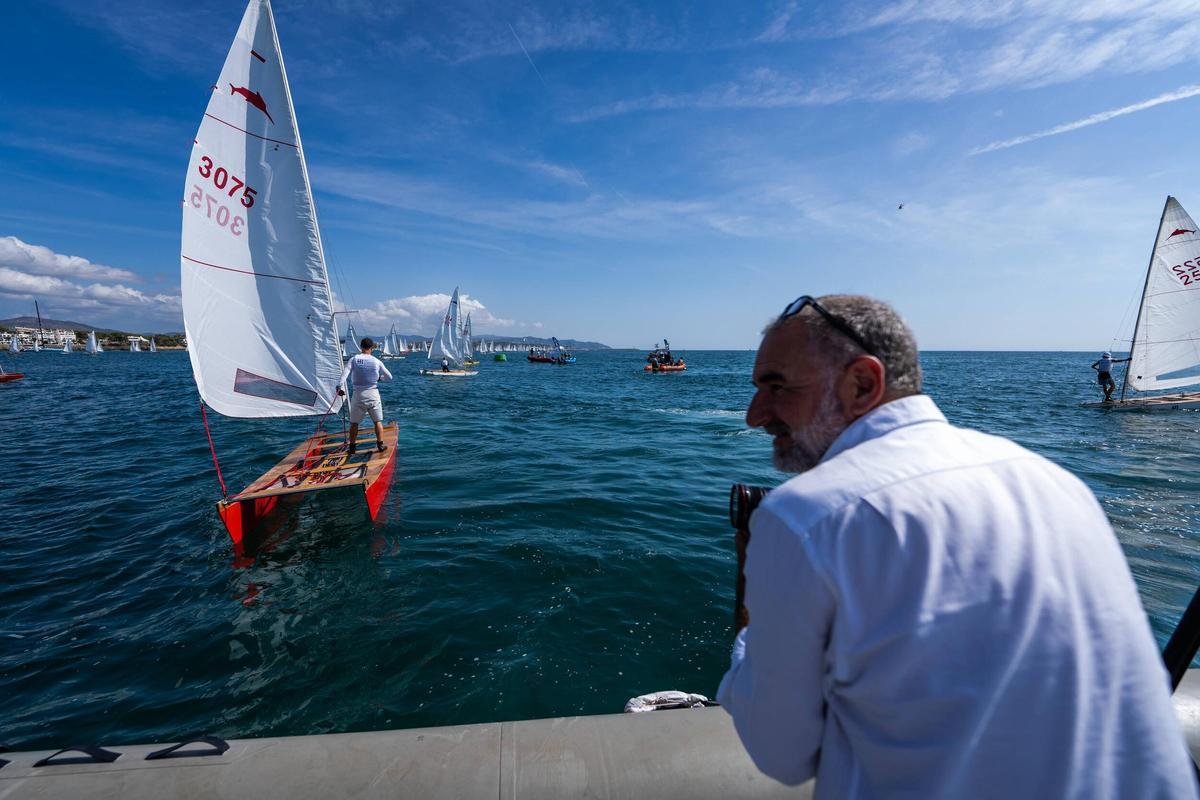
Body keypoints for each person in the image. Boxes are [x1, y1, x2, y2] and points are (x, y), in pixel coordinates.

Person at [717, 294, 1196, 797]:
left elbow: (781, 755)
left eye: (776, 387)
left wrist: (750, 640)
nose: (755, 415)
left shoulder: (807, 517)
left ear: (861, 383)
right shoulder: (1056, 482)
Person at [336, 337, 392, 455]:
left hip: (358, 395)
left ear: (360, 347)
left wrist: (339, 387)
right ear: (371, 348)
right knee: (377, 421)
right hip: (373, 394)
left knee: (354, 423)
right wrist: (379, 379)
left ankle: (352, 447)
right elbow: (389, 377)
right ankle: (380, 445)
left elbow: (344, 374)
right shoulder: (377, 361)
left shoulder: (354, 359)